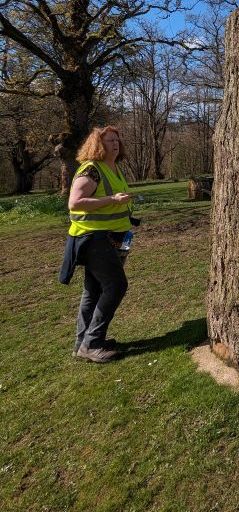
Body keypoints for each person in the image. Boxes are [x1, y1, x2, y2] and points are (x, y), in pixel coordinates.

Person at [59, 126, 135, 363]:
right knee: (115, 286)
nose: (115, 144)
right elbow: (75, 203)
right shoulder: (91, 169)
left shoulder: (113, 167)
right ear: (97, 145)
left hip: (114, 237)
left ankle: (83, 342)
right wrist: (111, 200)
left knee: (94, 290)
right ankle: (92, 343)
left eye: (117, 139)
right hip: (92, 237)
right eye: (109, 140)